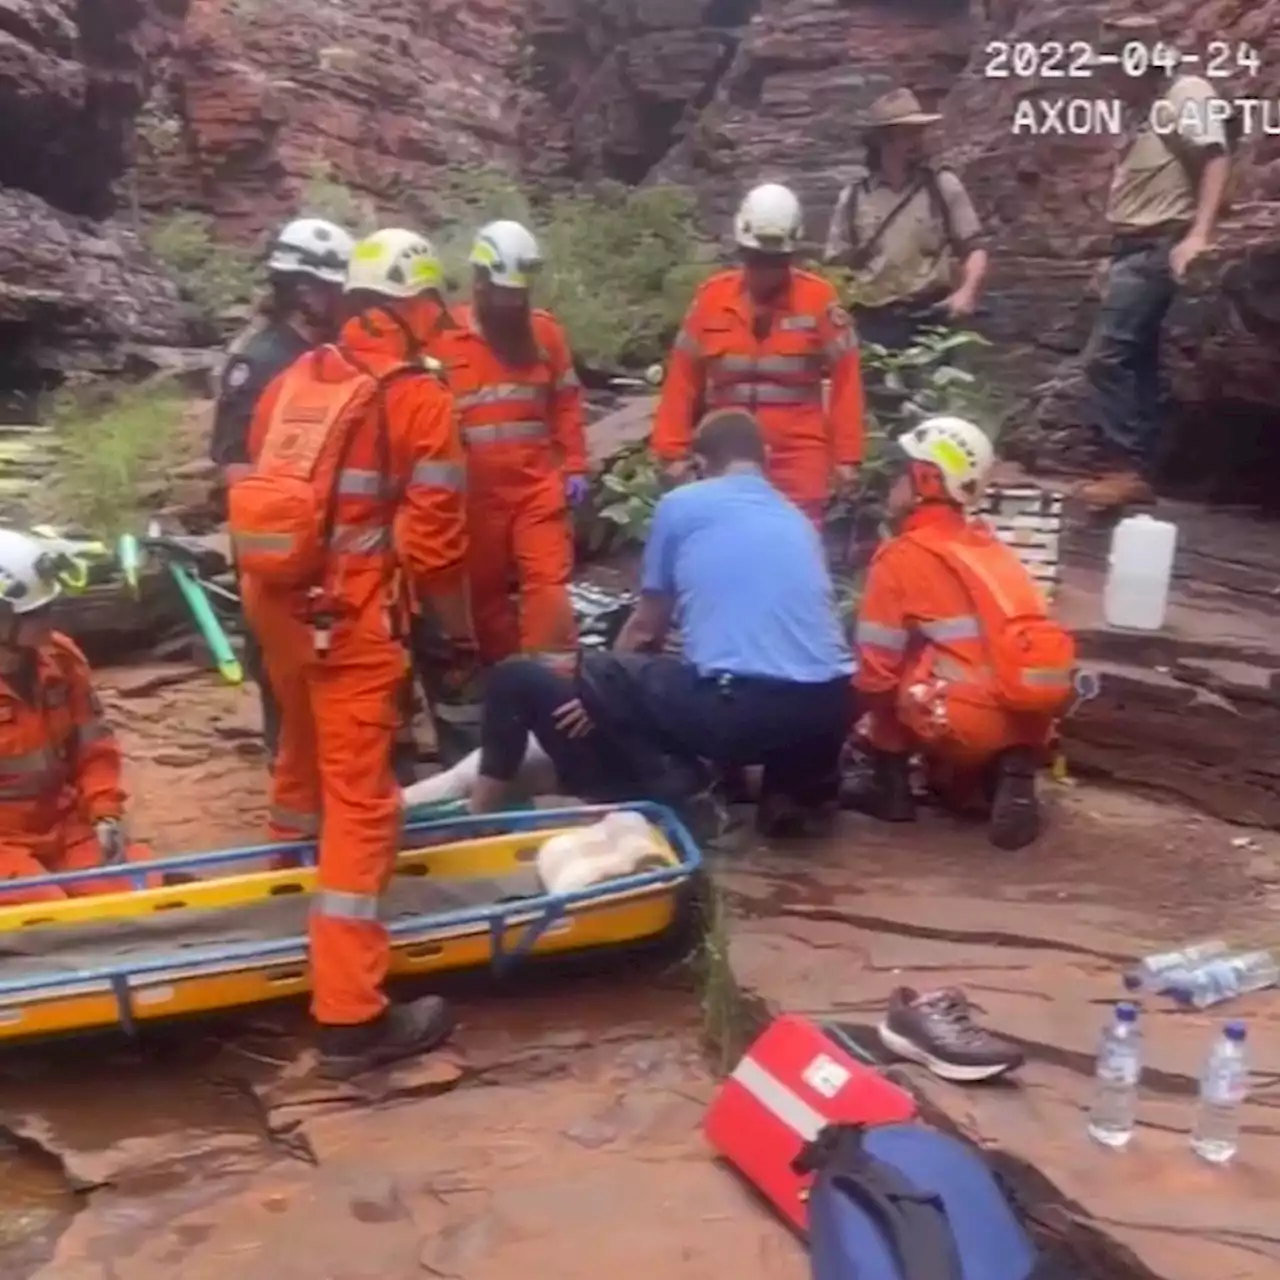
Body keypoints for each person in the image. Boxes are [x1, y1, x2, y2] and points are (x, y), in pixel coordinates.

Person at [230, 227, 481, 1078]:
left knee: (297, 770)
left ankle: (269, 919)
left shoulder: (301, 375)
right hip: (350, 624)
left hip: (275, 611)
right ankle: (349, 1017)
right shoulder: (417, 397)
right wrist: (456, 634)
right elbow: (439, 549)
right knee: (362, 807)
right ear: (414, 308)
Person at [470, 410, 856, 836]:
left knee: (606, 669)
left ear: (701, 464)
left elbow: (646, 627)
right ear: (764, 457)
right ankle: (790, 794)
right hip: (830, 708)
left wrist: (596, 694)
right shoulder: (796, 519)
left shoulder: (684, 504)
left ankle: (685, 794)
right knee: (724, 672)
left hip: (742, 708)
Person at [852, 416, 1076, 851]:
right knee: (948, 658)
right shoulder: (990, 546)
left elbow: (876, 673)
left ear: (925, 478)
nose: (892, 483)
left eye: (902, 471)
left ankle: (889, 784)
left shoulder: (904, 556)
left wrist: (863, 730)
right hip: (1032, 716)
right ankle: (1003, 768)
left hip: (960, 716)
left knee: (889, 671)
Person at [210, 217, 355, 764]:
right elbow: (237, 468)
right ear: (304, 291)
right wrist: (278, 555)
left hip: (328, 545)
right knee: (285, 673)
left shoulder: (329, 354)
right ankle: (292, 779)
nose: (345, 301)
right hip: (280, 553)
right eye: (336, 289)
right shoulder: (262, 361)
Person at [1075, 16, 1232, 511]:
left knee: (1108, 357)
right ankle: (1137, 469)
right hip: (1133, 249)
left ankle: (1126, 466)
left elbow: (1215, 156)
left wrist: (1199, 235)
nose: (1109, 82)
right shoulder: (1145, 110)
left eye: (1113, 70)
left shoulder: (1184, 93)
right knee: (1136, 359)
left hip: (1158, 247)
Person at [651, 184, 864, 525]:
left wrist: (847, 458)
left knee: (798, 542)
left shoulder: (818, 300)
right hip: (726, 450)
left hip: (797, 453)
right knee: (725, 538)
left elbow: (847, 381)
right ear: (742, 251)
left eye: (776, 261)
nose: (766, 270)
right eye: (757, 259)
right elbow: (681, 380)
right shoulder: (711, 299)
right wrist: (671, 452)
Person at [425, 220, 587, 663]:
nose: (512, 304)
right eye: (503, 294)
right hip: (473, 496)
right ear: (479, 283)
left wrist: (574, 465)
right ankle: (503, 677)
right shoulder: (442, 339)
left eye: (519, 295)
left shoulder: (545, 335)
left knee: (548, 585)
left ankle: (552, 686)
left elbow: (567, 403)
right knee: (483, 595)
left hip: (537, 487)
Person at [0, 531, 155, 905]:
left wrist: (104, 810)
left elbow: (93, 744)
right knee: (48, 916)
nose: (48, 621)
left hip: (64, 819)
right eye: (35, 613)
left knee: (137, 895)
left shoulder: (61, 659)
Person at [822, 88, 988, 354]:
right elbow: (836, 268)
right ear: (882, 140)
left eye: (918, 132)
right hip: (872, 323)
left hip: (931, 318)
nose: (917, 141)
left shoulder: (942, 187)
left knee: (933, 395)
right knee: (877, 395)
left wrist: (966, 293)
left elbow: (974, 249)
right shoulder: (854, 198)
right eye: (907, 133)